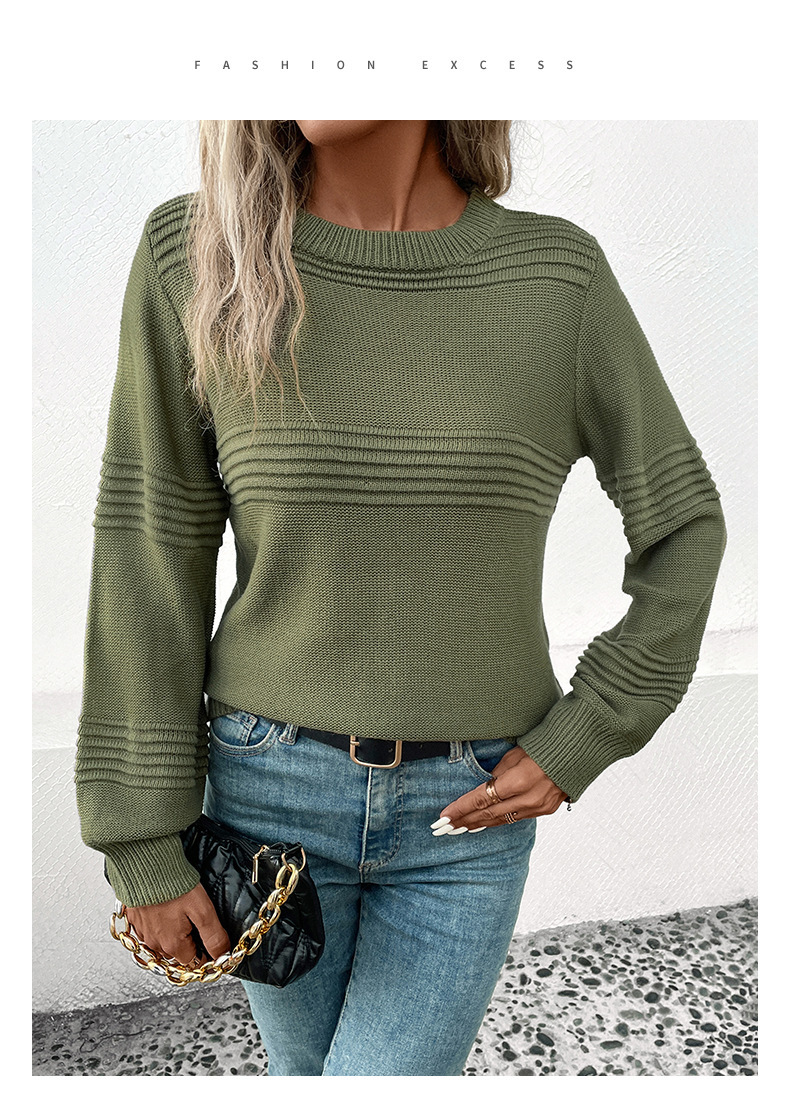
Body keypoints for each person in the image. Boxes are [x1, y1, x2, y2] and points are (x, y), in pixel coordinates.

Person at [74, 119, 728, 1076]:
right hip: (267, 799)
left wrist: (589, 728)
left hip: (468, 807)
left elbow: (684, 525)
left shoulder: (557, 279)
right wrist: (139, 833)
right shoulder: (198, 253)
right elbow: (149, 545)